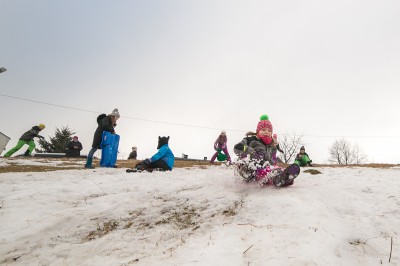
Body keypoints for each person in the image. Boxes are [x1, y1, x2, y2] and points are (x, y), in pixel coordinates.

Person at [233, 115, 300, 187]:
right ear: (257, 131)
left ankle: (283, 177)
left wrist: (273, 162)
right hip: (251, 165)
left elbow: (272, 159)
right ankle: (247, 172)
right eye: (263, 130)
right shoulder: (252, 139)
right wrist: (249, 150)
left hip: (262, 169)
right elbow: (237, 147)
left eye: (269, 130)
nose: (266, 132)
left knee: (271, 171)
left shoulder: (270, 145)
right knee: (252, 165)